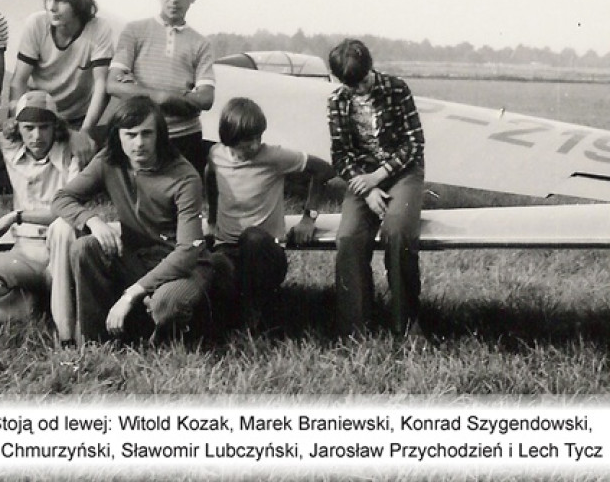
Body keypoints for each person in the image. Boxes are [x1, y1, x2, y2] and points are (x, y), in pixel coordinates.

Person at [52, 96, 217, 343]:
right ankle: (97, 341)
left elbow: (187, 251)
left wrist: (131, 295)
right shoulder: (108, 161)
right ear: (118, 135)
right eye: (130, 134)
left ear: (160, 135)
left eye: (146, 134)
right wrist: (93, 221)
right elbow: (62, 198)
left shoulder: (184, 177)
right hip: (135, 258)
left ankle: (163, 336)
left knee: (167, 303)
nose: (139, 143)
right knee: (84, 247)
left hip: (180, 267)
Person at [0, 90, 81, 343]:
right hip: (24, 255)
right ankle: (34, 313)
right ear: (17, 127)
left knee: (63, 226)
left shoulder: (71, 154)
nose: (37, 136)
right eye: (28, 127)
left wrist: (14, 217)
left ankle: (66, 332)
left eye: (44, 127)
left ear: (55, 127)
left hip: (61, 253)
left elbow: (68, 210)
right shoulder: (11, 146)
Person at [204, 97, 334, 331]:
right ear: (229, 139)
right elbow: (210, 177)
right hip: (228, 249)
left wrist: (308, 218)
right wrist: (213, 218)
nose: (254, 146)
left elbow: (324, 169)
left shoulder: (274, 156)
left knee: (252, 238)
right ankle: (226, 323)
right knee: (211, 266)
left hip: (264, 252)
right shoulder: (216, 155)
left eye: (258, 138)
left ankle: (257, 316)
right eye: (246, 142)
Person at [327, 38, 426, 337]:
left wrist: (379, 176)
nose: (359, 89)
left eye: (362, 81)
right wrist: (367, 188)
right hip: (362, 180)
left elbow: (414, 143)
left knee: (397, 231)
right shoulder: (336, 102)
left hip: (402, 172)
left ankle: (406, 323)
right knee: (348, 238)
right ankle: (355, 328)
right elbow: (340, 155)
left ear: (371, 68)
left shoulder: (397, 89)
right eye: (350, 84)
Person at [107, 0, 215, 175]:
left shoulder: (201, 44)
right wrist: (164, 96)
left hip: (185, 137)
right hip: (143, 135)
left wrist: (140, 91)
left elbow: (205, 99)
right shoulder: (135, 31)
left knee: (184, 199)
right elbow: (113, 84)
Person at [9, 0, 113, 157]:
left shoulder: (99, 29)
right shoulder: (36, 24)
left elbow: (101, 85)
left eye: (61, 0)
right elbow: (19, 80)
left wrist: (84, 133)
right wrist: (17, 117)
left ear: (80, 3)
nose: (51, 7)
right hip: (37, 111)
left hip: (76, 117)